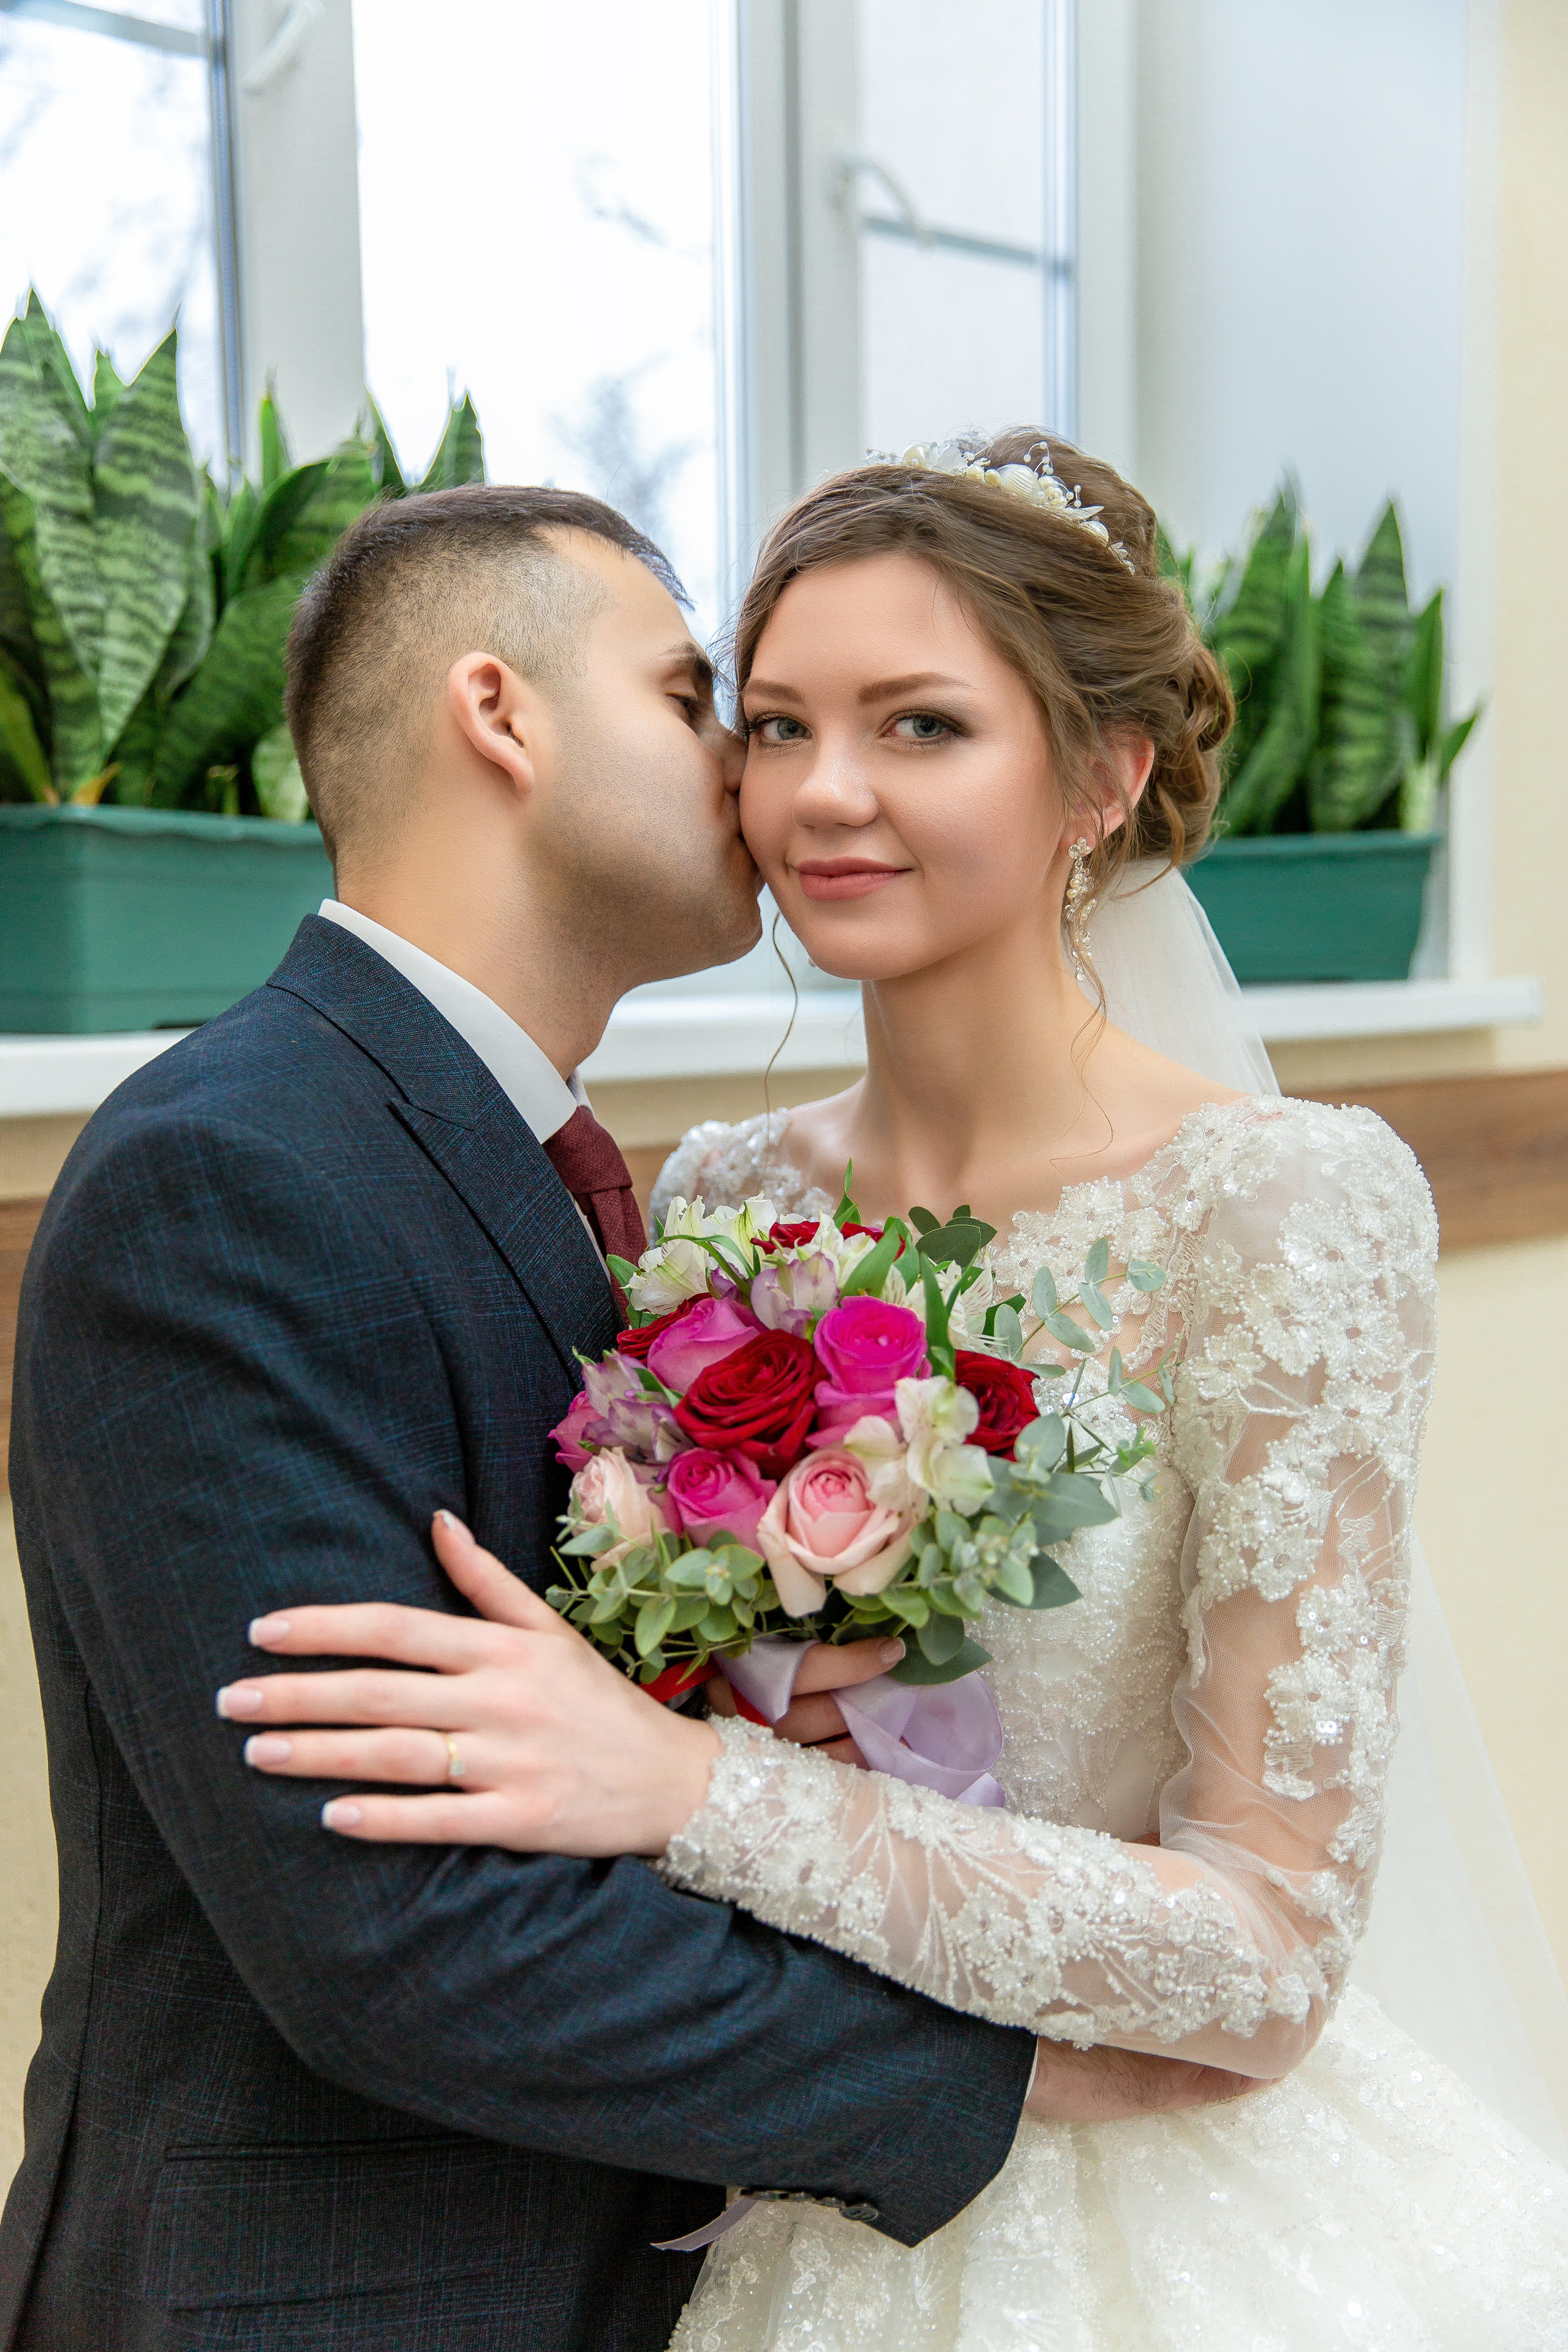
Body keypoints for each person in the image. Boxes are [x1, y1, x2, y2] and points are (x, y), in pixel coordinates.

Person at [236, 437, 1568, 2348]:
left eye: (923, 726)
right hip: (798, 2180)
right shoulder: (721, 1204)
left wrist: (700, 1790)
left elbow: (1269, 1954)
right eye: (773, 726)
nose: (825, 795)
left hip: (1167, 2211)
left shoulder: (1286, 1206)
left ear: (1101, 778)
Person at [1, 482, 1251, 2352]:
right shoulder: (235, 1173)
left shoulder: (606, 1189)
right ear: (500, 716)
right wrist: (1004, 2082)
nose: (772, 783)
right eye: (710, 706)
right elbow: (393, 1934)